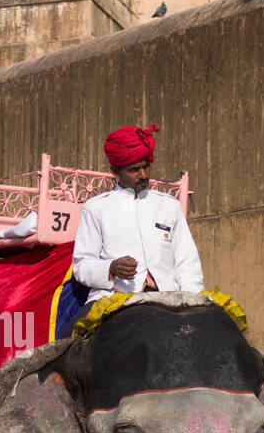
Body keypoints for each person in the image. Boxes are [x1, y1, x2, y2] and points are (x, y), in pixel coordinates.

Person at [72, 123, 203, 300]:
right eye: (134, 169)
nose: (143, 175)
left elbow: (187, 262)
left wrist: (191, 300)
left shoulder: (169, 206)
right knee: (74, 328)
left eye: (146, 166)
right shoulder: (96, 208)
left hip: (168, 298)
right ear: (115, 171)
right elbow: (81, 265)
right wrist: (111, 268)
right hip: (112, 298)